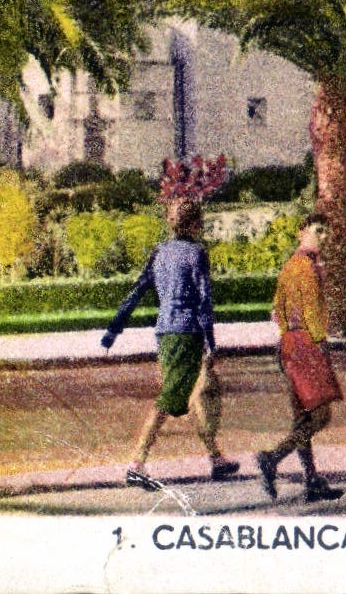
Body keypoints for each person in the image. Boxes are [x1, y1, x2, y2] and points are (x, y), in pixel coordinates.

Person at [101, 197, 240, 489]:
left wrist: (114, 329)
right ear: (193, 223)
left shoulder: (159, 252)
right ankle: (136, 462)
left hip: (164, 333)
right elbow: (204, 302)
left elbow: (137, 290)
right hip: (188, 334)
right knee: (169, 400)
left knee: (193, 395)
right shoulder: (197, 253)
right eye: (199, 221)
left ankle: (216, 458)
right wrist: (212, 344)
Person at [256, 213, 344, 504]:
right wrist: (319, 345)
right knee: (320, 415)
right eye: (319, 230)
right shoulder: (308, 267)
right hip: (306, 344)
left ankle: (311, 480)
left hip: (288, 344)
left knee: (301, 418)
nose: (324, 237)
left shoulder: (289, 267)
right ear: (302, 232)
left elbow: (275, 310)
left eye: (326, 232)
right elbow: (312, 312)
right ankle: (272, 458)